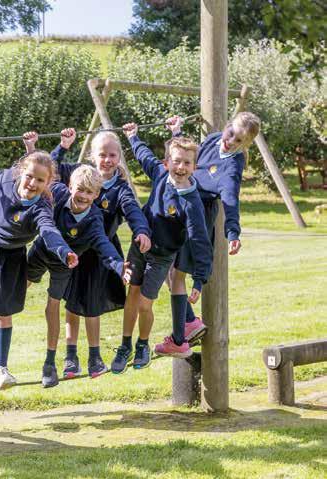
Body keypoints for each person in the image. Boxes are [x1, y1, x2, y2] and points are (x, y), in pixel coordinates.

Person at [0, 132, 78, 390]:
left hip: (9, 258)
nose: (32, 183)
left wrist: (63, 251)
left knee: (3, 312)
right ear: (22, 171)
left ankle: (1, 368)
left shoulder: (41, 207)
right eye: (30, 176)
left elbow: (48, 231)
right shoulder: (4, 180)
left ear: (48, 183)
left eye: (40, 180)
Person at [46, 129, 152, 376]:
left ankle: (95, 356)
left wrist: (141, 230)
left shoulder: (121, 189)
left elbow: (133, 211)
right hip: (73, 251)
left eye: (112, 155)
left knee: (92, 305)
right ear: (92, 156)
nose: (107, 160)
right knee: (71, 303)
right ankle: (71, 355)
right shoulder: (80, 174)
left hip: (100, 255)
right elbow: (49, 168)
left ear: (119, 157)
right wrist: (63, 146)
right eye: (102, 154)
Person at [26, 163, 131, 386]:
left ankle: (50, 364)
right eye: (80, 189)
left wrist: (119, 266)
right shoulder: (56, 194)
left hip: (65, 265)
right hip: (41, 251)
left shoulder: (94, 219)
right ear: (70, 186)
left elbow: (104, 245)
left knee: (53, 305)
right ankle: (0, 317)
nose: (83, 195)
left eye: (89, 192)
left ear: (96, 195)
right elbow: (39, 176)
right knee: (17, 289)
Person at [165, 112, 261, 343]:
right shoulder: (214, 138)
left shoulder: (232, 167)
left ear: (245, 144)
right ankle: (189, 322)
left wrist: (233, 232)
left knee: (176, 270)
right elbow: (190, 157)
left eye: (239, 140)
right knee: (166, 265)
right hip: (182, 203)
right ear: (227, 126)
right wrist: (177, 132)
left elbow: (230, 198)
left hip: (198, 215)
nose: (231, 141)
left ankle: (186, 326)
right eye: (231, 133)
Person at [122, 124, 212, 364]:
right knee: (131, 292)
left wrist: (199, 279)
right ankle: (128, 344)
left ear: (194, 167)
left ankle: (155, 343)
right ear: (167, 163)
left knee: (145, 303)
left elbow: (200, 241)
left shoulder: (191, 204)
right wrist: (133, 138)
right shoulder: (161, 175)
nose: (181, 167)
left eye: (187, 163)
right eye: (176, 161)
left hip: (162, 256)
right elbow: (145, 157)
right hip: (140, 245)